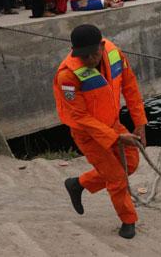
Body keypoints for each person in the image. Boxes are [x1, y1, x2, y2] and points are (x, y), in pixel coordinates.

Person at [54, 24, 148, 239]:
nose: (88, 60)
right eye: (83, 56)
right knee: (116, 178)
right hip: (88, 134)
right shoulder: (67, 76)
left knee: (130, 165)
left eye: (92, 54)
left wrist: (140, 122)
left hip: (113, 124)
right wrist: (114, 137)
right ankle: (128, 220)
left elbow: (130, 87)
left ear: (102, 46)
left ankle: (78, 184)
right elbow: (79, 117)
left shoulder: (115, 54)